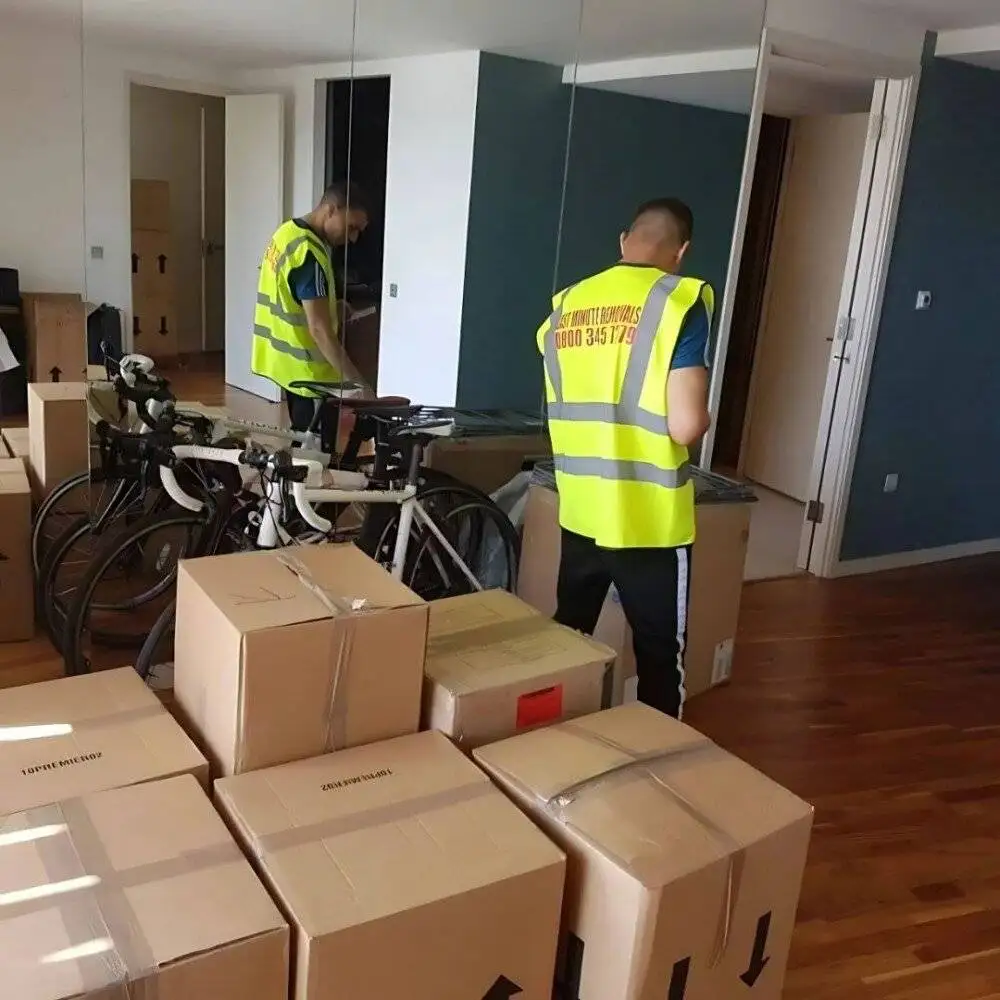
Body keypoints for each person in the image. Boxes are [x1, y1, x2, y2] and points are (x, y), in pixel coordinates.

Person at [536, 197, 713, 719]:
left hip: (582, 507)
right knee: (660, 655)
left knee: (568, 635)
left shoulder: (566, 304)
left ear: (623, 240)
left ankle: (545, 745)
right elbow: (686, 424)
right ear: (681, 251)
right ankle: (656, 764)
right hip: (647, 518)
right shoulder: (678, 301)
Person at [252, 180, 372, 433]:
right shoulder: (308, 253)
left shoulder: (286, 233)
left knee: (303, 447)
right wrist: (359, 388)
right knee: (316, 456)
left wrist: (331, 307)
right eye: (351, 227)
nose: (353, 238)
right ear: (331, 209)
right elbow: (319, 331)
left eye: (359, 231)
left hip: (286, 366)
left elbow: (289, 294)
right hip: (310, 374)